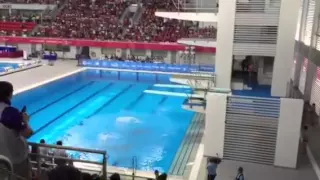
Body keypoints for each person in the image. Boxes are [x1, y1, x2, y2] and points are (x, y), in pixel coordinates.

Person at [0, 81, 33, 180]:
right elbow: (28, 133)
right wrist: (25, 121)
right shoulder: (10, 112)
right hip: (16, 159)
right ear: (9, 94)